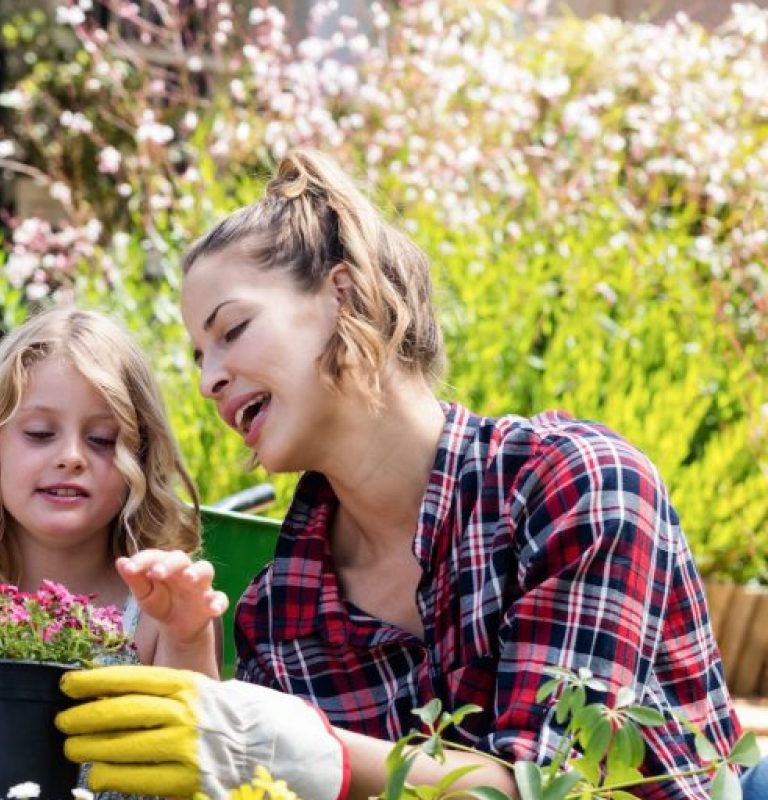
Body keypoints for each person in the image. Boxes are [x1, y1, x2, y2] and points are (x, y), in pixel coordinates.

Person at [56, 149, 746, 800]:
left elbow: (556, 787)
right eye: (200, 354)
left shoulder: (574, 488)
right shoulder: (282, 611)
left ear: (344, 296)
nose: (208, 380)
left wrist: (313, 753)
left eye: (231, 331)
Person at [0, 307, 231, 799]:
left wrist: (188, 635)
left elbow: (196, 782)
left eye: (102, 440)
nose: (71, 456)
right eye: (39, 433)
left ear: (138, 460)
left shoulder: (161, 616)